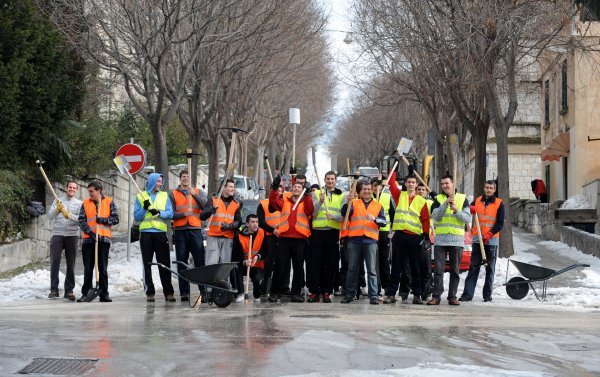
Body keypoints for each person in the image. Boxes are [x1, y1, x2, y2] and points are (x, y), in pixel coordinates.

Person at [384, 171, 430, 305]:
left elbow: (425, 219)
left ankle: (417, 295)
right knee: (396, 267)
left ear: (416, 185)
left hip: (415, 237)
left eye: (413, 182)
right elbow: (391, 182)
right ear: (405, 184)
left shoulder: (422, 201)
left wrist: (426, 235)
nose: (410, 184)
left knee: (415, 267)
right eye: (408, 182)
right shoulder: (400, 195)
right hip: (399, 236)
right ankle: (391, 294)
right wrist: (396, 164)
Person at [268, 176, 314, 302]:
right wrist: (274, 188)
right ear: (292, 189)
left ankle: (295, 293)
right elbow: (272, 202)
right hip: (284, 238)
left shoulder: (305, 201)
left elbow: (310, 210)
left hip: (300, 239)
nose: (297, 189)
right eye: (295, 187)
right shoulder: (285, 201)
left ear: (302, 190)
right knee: (280, 266)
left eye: (300, 187)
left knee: (298, 267)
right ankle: (275, 292)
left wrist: (309, 195)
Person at [340, 180, 387, 305]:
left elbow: (384, 222)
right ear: (360, 192)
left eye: (368, 189)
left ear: (372, 190)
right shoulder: (354, 203)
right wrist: (347, 203)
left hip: (370, 240)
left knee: (372, 270)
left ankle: (373, 296)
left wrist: (375, 219)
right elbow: (344, 214)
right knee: (352, 269)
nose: (366, 191)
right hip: (354, 239)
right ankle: (350, 294)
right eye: (364, 189)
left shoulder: (378, 205)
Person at [428, 174, 471, 306]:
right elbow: (436, 217)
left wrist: (456, 210)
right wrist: (445, 204)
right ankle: (436, 296)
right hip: (440, 240)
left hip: (456, 240)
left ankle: (452, 296)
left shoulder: (463, 198)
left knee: (455, 271)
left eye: (447, 183)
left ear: (453, 184)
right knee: (438, 271)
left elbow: (466, 218)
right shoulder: (438, 199)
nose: (445, 186)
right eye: (443, 184)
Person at [460, 180, 505, 302]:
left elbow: (500, 223)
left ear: (494, 190)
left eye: (491, 188)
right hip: (477, 240)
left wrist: (490, 234)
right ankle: (467, 295)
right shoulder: (477, 201)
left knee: (490, 269)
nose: (488, 190)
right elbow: (467, 213)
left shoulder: (499, 203)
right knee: (473, 267)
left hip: (491, 241)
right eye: (487, 187)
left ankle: (487, 295)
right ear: (484, 188)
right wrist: (470, 209)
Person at [134, 173, 175, 303]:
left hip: (160, 233)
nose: (159, 184)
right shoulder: (141, 196)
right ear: (151, 181)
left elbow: (170, 213)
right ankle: (150, 293)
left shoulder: (164, 196)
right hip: (145, 233)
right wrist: (144, 209)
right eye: (157, 181)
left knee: (164, 264)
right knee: (147, 264)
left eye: (161, 181)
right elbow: (137, 217)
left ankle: (168, 292)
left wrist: (159, 212)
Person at [77, 180, 119, 302]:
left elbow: (115, 219)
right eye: (88, 191)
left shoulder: (109, 202)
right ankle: (85, 293)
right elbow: (81, 220)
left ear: (98, 191)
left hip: (103, 239)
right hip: (88, 240)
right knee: (88, 269)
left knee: (103, 269)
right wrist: (89, 232)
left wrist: (104, 220)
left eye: (91, 191)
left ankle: (104, 294)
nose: (89, 193)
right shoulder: (85, 203)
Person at [307, 171, 345, 303]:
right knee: (315, 263)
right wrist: (320, 202)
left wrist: (333, 217)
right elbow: (313, 213)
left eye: (332, 179)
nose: (330, 181)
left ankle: (327, 291)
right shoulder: (317, 194)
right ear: (324, 179)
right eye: (328, 179)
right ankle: (314, 292)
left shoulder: (341, 196)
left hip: (332, 232)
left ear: (335, 180)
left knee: (331, 263)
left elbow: (343, 216)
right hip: (317, 231)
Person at [169, 170, 206, 302]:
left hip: (195, 230)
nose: (185, 178)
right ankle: (184, 292)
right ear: (180, 179)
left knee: (200, 261)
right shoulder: (173, 194)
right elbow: (170, 213)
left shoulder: (197, 191)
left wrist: (194, 195)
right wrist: (183, 215)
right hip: (180, 231)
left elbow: (204, 207)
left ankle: (203, 290)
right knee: (181, 261)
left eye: (187, 176)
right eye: (183, 177)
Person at [47, 181, 82, 300]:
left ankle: (69, 291)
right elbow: (50, 216)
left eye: (74, 188)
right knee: (54, 261)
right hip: (57, 234)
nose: (71, 189)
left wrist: (69, 215)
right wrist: (57, 208)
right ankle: (54, 289)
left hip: (72, 235)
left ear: (76, 190)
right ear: (66, 188)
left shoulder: (79, 204)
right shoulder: (58, 200)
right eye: (70, 187)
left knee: (70, 263)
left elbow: (81, 220)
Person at [200, 179, 243, 266]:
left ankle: (224, 280)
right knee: (211, 264)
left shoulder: (236, 204)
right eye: (230, 187)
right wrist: (210, 210)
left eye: (233, 187)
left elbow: (239, 221)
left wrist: (229, 226)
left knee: (225, 265)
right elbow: (202, 216)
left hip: (228, 238)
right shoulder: (213, 200)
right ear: (223, 188)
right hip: (213, 237)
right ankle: (211, 280)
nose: (233, 189)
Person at [232, 214, 267, 301]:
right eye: (252, 222)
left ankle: (257, 295)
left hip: (257, 264)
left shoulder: (262, 233)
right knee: (236, 269)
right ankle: (240, 293)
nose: (255, 224)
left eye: (257, 222)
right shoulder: (239, 236)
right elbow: (236, 254)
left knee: (257, 279)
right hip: (244, 264)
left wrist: (258, 256)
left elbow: (265, 249)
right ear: (247, 224)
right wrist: (244, 261)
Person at [257, 186, 282, 299]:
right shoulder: (263, 204)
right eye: (277, 191)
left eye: (281, 191)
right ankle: (264, 286)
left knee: (282, 265)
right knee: (268, 263)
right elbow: (260, 222)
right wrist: (272, 230)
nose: (279, 193)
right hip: (269, 237)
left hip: (282, 237)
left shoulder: (285, 203)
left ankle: (281, 288)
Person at [373, 178, 395, 300]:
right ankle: (375, 287)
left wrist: (394, 229)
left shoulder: (386, 197)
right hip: (371, 232)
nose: (376, 189)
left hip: (384, 231)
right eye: (374, 186)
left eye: (378, 186)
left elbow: (392, 214)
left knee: (384, 260)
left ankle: (386, 286)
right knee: (373, 261)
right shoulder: (367, 197)